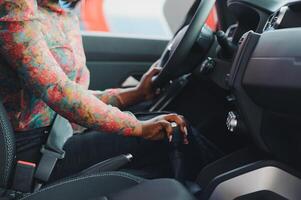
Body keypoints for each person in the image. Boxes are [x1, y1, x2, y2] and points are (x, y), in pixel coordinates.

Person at [0, 0, 194, 182]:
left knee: (160, 116)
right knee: (175, 135)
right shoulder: (16, 11)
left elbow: (75, 94)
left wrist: (136, 94)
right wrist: (138, 127)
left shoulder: (59, 13)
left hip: (60, 132)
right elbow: (59, 91)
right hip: (31, 150)